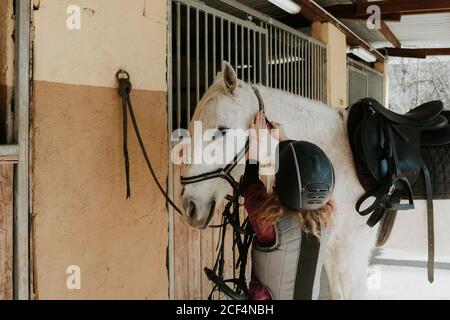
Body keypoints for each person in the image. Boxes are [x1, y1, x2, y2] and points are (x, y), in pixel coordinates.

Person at [242, 111, 336, 300]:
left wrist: (254, 140)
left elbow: (249, 184)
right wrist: (283, 139)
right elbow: (304, 172)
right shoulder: (327, 219)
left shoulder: (270, 223)